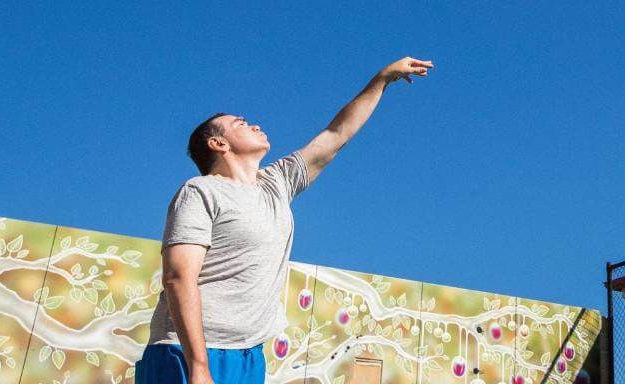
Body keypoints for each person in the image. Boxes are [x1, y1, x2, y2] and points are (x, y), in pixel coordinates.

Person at [135, 56, 435, 384]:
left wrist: (381, 80)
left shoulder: (277, 183)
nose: (254, 124)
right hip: (186, 351)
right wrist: (199, 365)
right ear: (218, 144)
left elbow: (337, 135)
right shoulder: (200, 191)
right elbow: (178, 277)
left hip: (248, 353)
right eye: (240, 123)